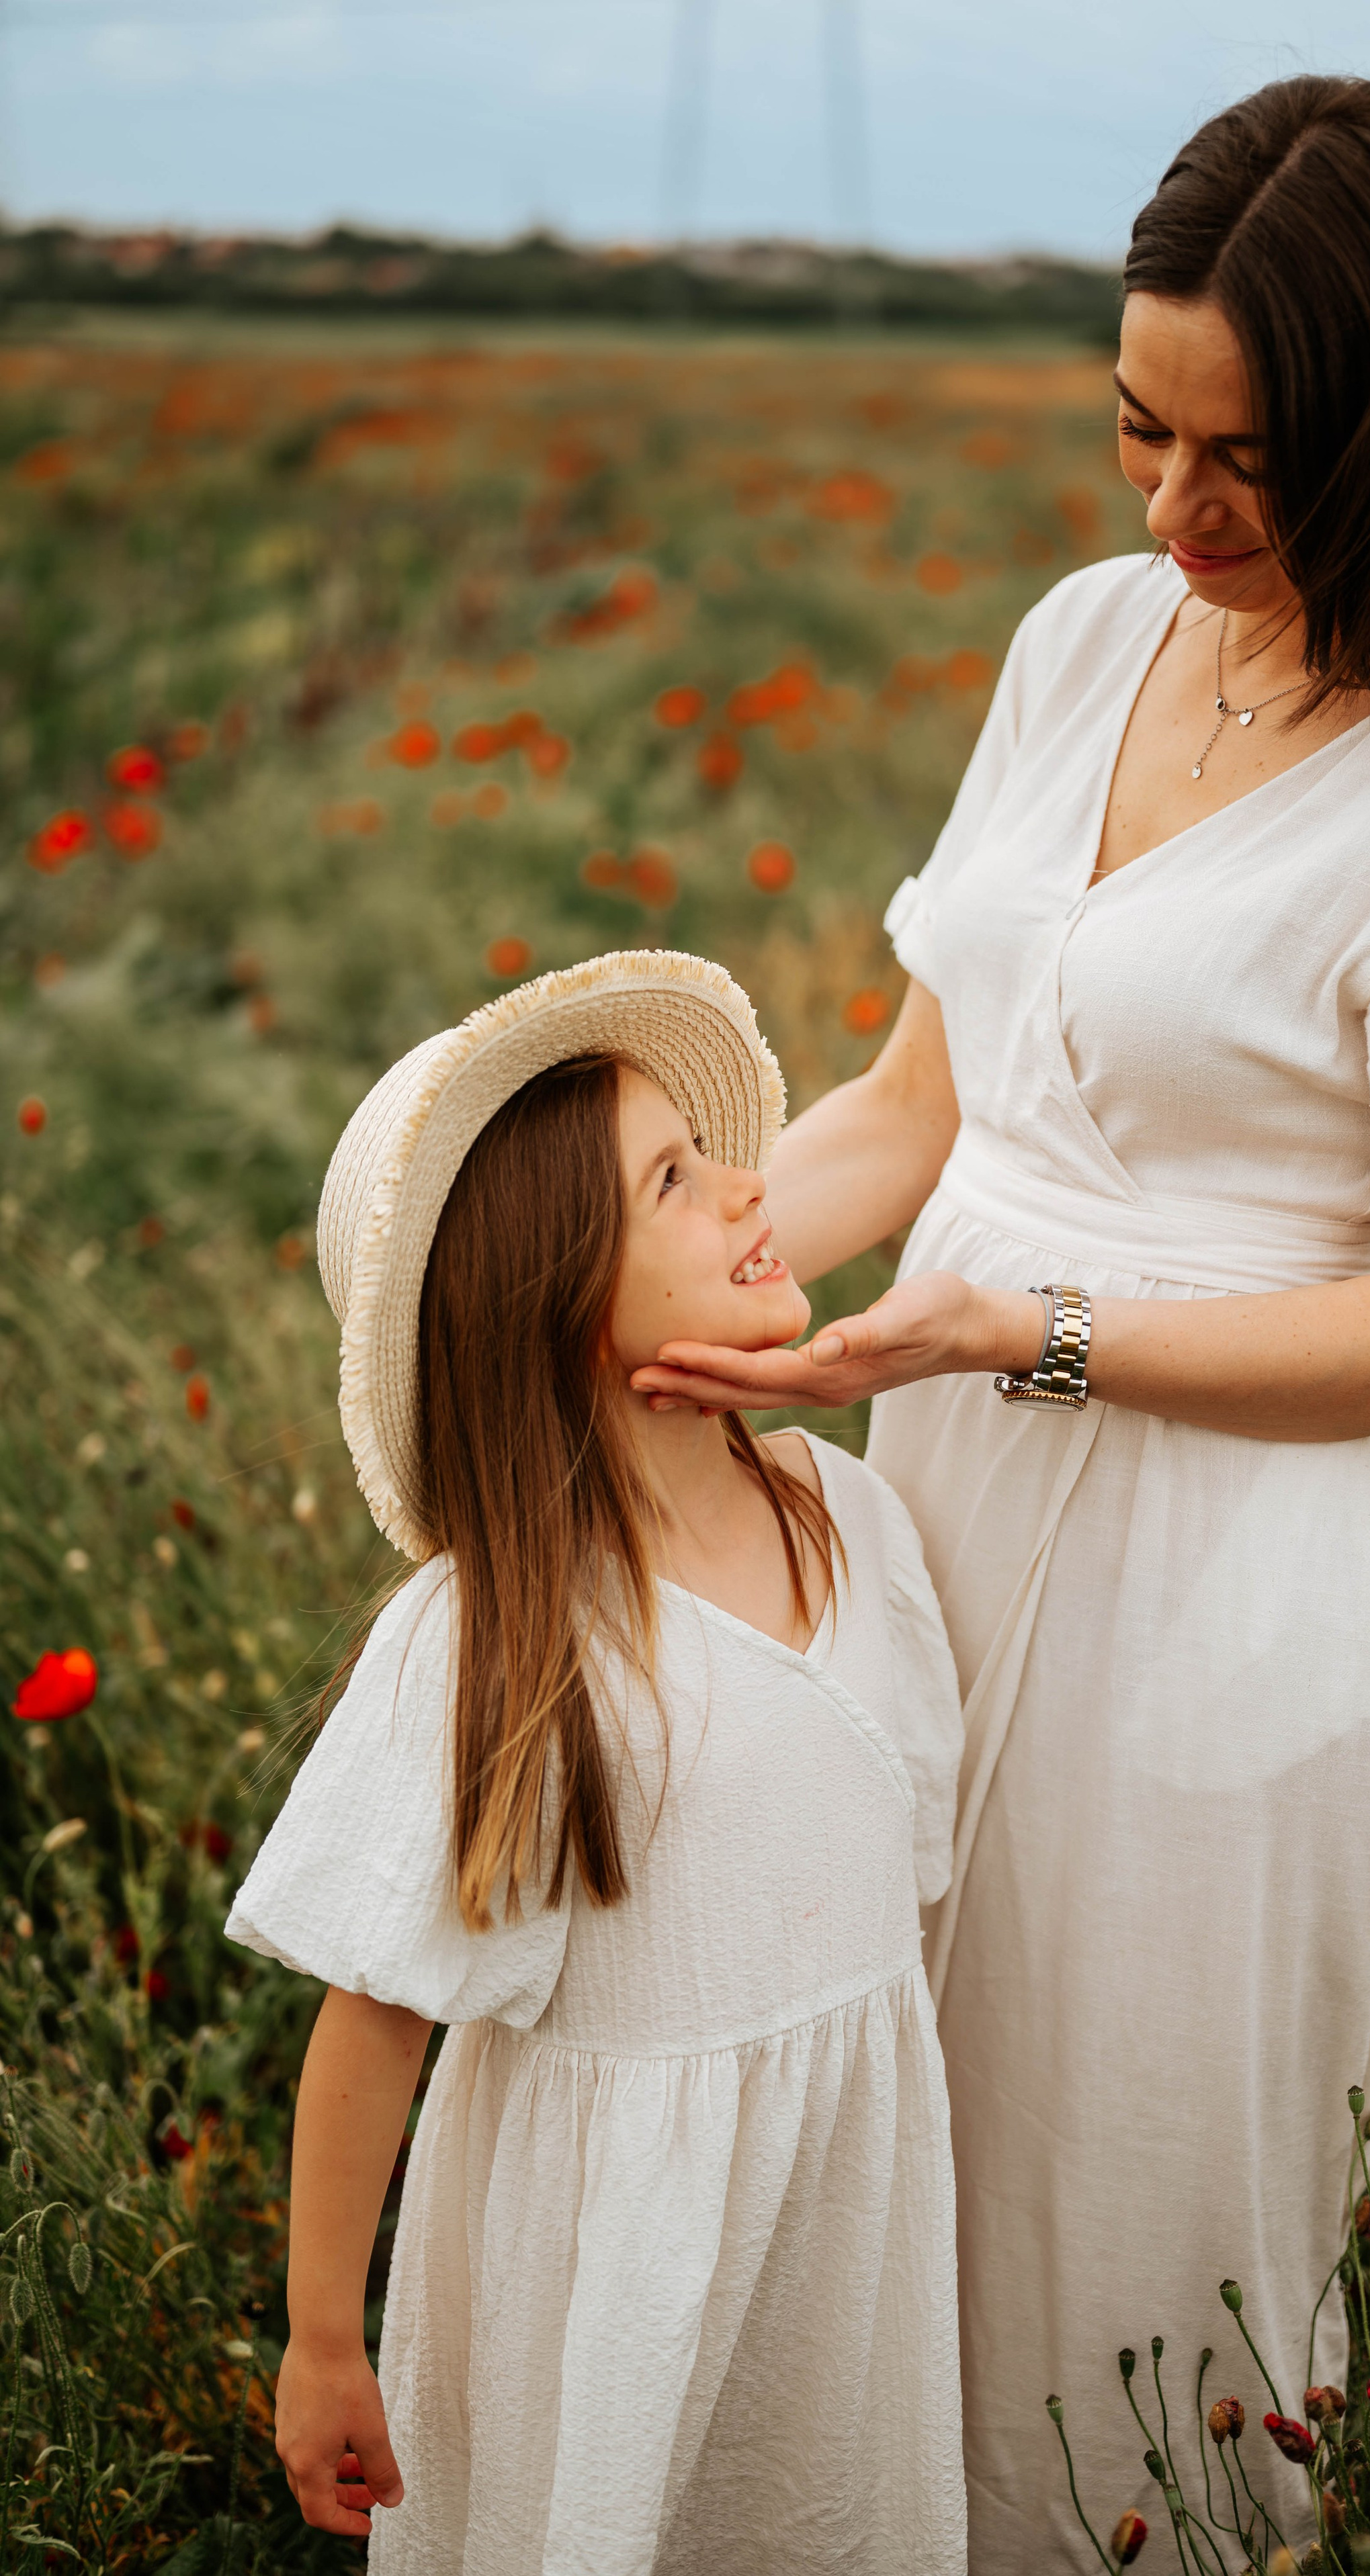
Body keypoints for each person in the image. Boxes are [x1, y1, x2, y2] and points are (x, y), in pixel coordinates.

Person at [629, 77, 1370, 2572]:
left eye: (1250, 461)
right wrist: (674, 1261)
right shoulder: (1091, 640)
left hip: (1243, 1591)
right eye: (1135, 426)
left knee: (1119, 2228)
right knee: (884, 2142)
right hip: (945, 1498)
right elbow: (914, 1092)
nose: (1172, 515)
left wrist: (1018, 1330)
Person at [225, 952, 968, 2575]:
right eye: (674, 1181)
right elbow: (374, 2019)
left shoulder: (846, 1517)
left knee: (814, 2506)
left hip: (839, 2218)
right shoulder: (497, 1636)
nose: (748, 1185)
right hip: (611, 2256)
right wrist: (322, 2338)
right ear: (558, 1295)